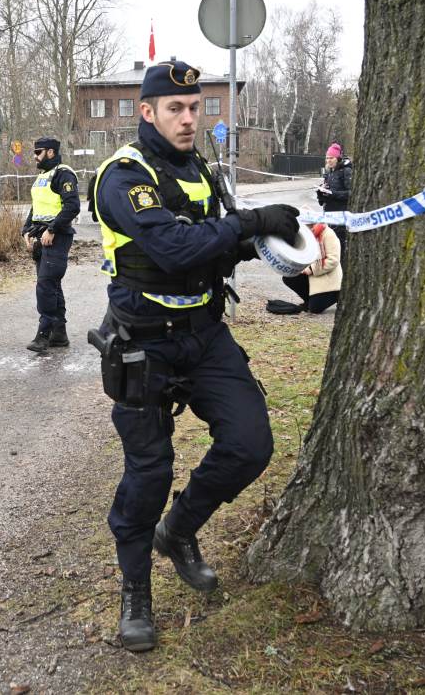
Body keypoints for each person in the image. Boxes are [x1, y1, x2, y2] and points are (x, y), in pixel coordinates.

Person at [91, 59, 301, 652]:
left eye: (195, 107)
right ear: (148, 112)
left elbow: (220, 249)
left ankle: (178, 531)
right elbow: (174, 248)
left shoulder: (201, 172)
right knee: (148, 473)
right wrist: (249, 221)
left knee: (250, 444)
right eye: (176, 109)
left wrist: (288, 252)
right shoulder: (122, 175)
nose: (188, 118)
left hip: (205, 334)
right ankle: (135, 593)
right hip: (143, 342)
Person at [22, 136, 80, 352]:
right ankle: (59, 334)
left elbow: (72, 206)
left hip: (57, 236)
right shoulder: (42, 176)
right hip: (41, 235)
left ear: (51, 152)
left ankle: (43, 335)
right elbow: (36, 207)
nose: (35, 156)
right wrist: (26, 230)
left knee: (46, 284)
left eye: (38, 152)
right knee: (51, 285)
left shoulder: (63, 174)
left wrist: (52, 229)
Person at [265, 222, 342, 315]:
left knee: (315, 309)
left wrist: (311, 269)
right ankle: (309, 299)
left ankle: (338, 294)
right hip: (312, 275)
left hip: (328, 277)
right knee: (289, 277)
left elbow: (333, 260)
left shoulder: (328, 233)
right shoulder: (303, 235)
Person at [316, 143, 352, 247]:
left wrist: (333, 194)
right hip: (328, 215)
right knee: (329, 246)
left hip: (341, 216)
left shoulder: (346, 171)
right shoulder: (329, 172)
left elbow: (351, 194)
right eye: (327, 158)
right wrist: (321, 193)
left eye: (331, 158)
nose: (328, 160)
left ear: (338, 158)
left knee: (338, 245)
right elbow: (326, 194)